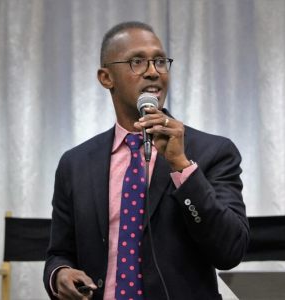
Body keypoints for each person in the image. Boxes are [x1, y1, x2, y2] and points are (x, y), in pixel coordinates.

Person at [44, 21, 249, 300]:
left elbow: (230, 251)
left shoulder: (212, 152)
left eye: (160, 61)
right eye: (137, 61)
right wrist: (61, 274)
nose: (153, 72)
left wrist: (182, 166)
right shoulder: (75, 164)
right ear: (106, 78)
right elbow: (59, 253)